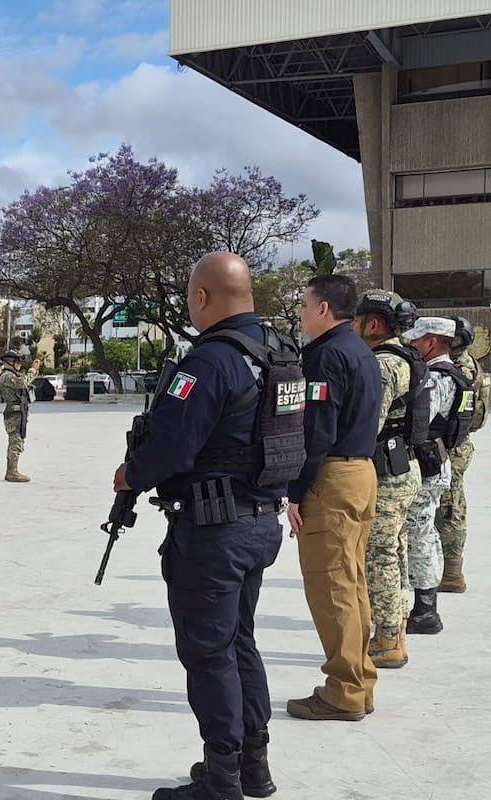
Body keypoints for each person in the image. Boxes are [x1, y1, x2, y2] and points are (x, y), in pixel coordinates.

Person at [113, 252, 298, 800]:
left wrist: (130, 475)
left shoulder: (209, 362)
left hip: (215, 531)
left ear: (201, 298)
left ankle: (223, 779)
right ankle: (252, 766)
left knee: (209, 652)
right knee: (240, 643)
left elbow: (171, 445)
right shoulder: (281, 354)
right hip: (261, 522)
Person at [284, 275, 381, 722]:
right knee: (352, 583)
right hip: (361, 472)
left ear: (324, 309)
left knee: (332, 587)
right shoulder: (361, 351)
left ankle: (344, 691)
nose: (300, 312)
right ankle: (359, 682)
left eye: (304, 304)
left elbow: (316, 431)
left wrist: (295, 492)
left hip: (332, 476)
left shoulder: (325, 356)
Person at [350, 290, 424, 669]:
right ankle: (397, 628)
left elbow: (368, 426)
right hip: (404, 470)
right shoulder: (408, 356)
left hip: (385, 476)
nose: (352, 324)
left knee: (379, 559)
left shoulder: (380, 366)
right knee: (396, 553)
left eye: (357, 318)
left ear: (373, 324)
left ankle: (388, 638)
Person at [401, 316, 473, 634]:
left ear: (431, 342)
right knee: (424, 533)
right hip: (437, 462)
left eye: (417, 340)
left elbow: (418, 423)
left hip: (425, 466)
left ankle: (424, 611)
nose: (411, 345)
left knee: (418, 536)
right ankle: (423, 606)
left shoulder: (435, 378)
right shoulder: (456, 374)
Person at [436, 315, 488, 593]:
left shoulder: (460, 368)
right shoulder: (466, 363)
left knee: (450, 507)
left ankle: (452, 573)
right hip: (458, 443)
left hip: (451, 446)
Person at [0, 352, 41, 482]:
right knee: (16, 441)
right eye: (17, 362)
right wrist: (33, 370)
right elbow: (23, 382)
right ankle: (12, 472)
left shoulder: (11, 375)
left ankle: (12, 470)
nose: (19, 365)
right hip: (13, 412)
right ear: (10, 362)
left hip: (18, 411)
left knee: (18, 440)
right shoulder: (7, 376)